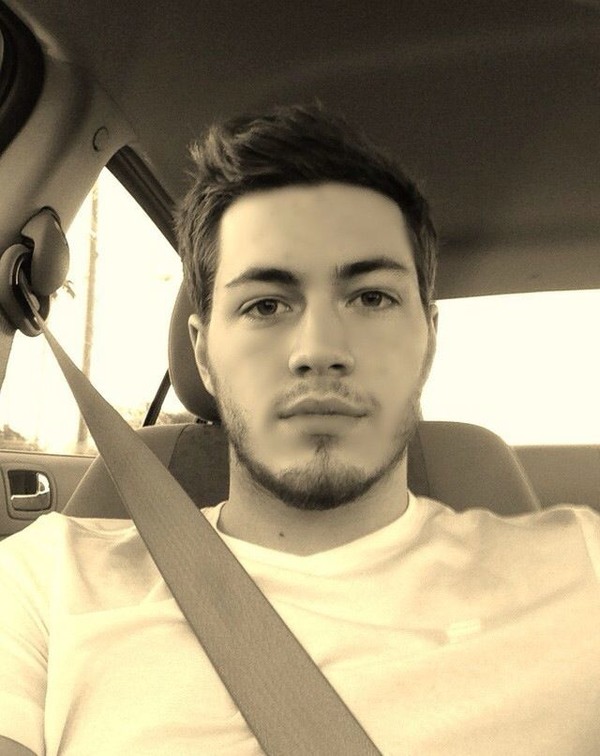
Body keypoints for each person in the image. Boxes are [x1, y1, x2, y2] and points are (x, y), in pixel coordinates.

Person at [1, 103, 599, 755]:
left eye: (371, 297)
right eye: (265, 305)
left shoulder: (581, 571)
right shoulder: (47, 582)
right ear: (204, 353)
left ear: (428, 338)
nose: (319, 349)